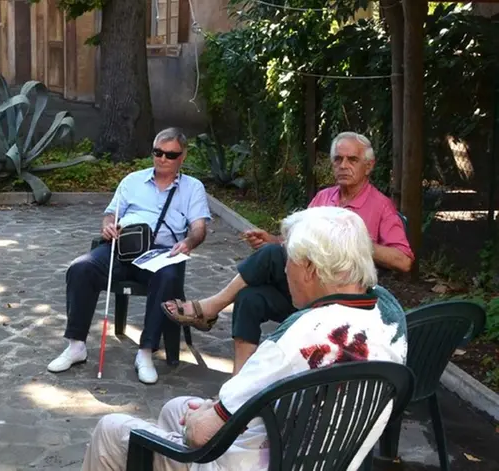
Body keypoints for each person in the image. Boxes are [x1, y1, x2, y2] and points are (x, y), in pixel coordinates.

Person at [82, 206, 408, 471]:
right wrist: (212, 410)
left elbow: (200, 434)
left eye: (289, 260)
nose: (285, 272)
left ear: (309, 269)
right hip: (322, 456)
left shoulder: (295, 340)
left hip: (251, 463)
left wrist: (203, 417)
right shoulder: (390, 317)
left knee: (112, 431)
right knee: (174, 408)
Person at [163, 131, 413, 374]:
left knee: (273, 255)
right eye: (338, 159)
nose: (343, 165)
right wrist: (272, 239)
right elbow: (300, 243)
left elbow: (404, 261)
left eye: (352, 160)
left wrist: (353, 240)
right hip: (305, 291)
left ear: (368, 166)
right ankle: (238, 383)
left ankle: (211, 307)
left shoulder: (381, 206)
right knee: (249, 298)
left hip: (342, 304)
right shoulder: (325, 196)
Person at [47, 128, 212, 384]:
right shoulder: (132, 181)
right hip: (122, 249)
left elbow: (199, 227)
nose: (163, 159)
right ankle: (76, 345)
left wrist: (189, 242)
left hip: (160, 254)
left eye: (170, 155)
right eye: (158, 152)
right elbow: (110, 213)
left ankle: (145, 352)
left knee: (168, 277)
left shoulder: (193, 188)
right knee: (80, 268)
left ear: (182, 156)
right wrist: (108, 225)